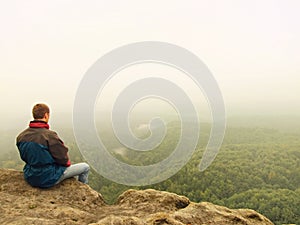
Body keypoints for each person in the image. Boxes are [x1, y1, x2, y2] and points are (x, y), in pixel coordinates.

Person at [16, 103, 89, 188]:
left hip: (30, 176)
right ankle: (83, 191)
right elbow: (63, 158)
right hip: (49, 177)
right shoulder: (50, 136)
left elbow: (25, 158)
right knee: (85, 167)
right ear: (46, 115)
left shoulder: (21, 136)